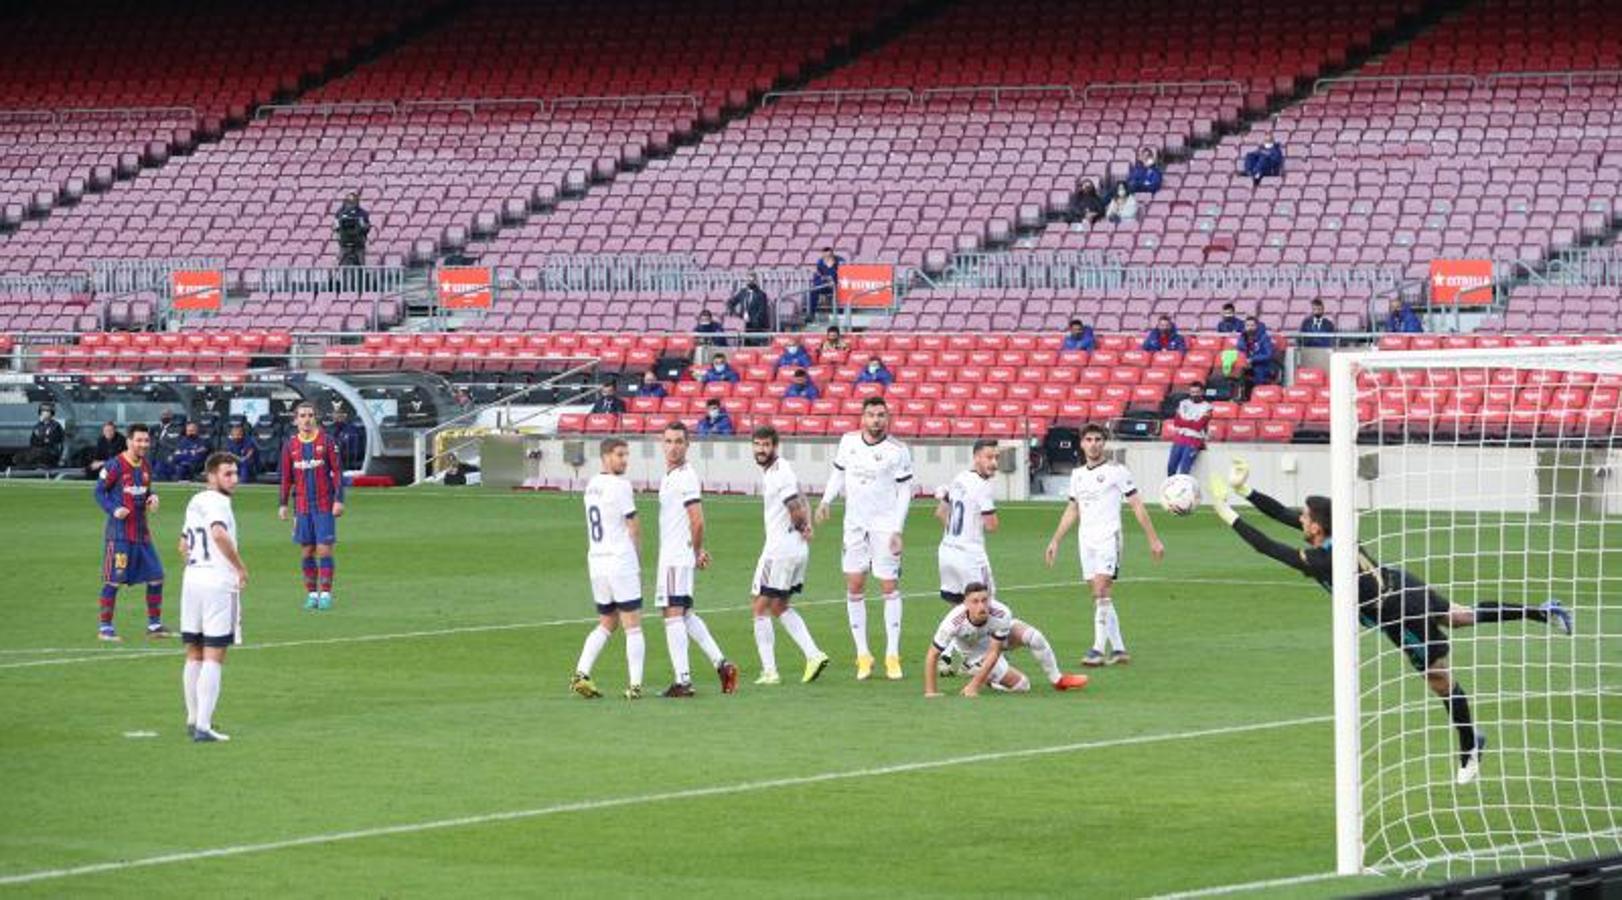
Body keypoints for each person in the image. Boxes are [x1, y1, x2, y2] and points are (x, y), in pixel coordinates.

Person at [1206, 459, 1573, 785]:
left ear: (1317, 526)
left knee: (1440, 680)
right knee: (1461, 616)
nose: (1299, 519)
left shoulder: (1321, 561)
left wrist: (1227, 512)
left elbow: (1267, 546)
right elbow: (1284, 517)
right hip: (1401, 583)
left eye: (1305, 517)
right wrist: (1245, 490)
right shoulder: (1339, 535)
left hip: (1397, 612)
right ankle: (1541, 611)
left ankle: (1470, 748)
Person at [1044, 423, 1165, 666]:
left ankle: (1097, 650)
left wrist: (1153, 538)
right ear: (1082, 443)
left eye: (1098, 439)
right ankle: (1119, 649)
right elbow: (1072, 508)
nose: (1094, 443)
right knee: (1100, 595)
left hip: (1109, 537)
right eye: (1089, 439)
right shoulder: (1077, 474)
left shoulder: (1117, 471)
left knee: (1100, 590)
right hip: (1085, 539)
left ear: (1104, 442)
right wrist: (1055, 540)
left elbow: (1137, 505)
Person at [817, 396, 914, 680]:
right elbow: (838, 474)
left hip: (885, 526)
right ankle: (863, 655)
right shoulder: (848, 442)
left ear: (888, 418)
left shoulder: (898, 450)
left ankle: (892, 655)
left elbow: (905, 491)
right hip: (855, 525)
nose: (876, 420)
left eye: (881, 415)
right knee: (855, 585)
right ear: (862, 417)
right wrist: (825, 501)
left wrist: (898, 528)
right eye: (871, 415)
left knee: (888, 585)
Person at [655, 422, 740, 697]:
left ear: (688, 444)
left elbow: (698, 521)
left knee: (671, 614)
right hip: (677, 554)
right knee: (685, 613)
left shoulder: (684, 477)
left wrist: (695, 552)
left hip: (675, 557)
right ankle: (722, 664)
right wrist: (696, 552)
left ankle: (683, 680)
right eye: (668, 441)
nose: (673, 446)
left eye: (679, 441)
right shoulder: (670, 475)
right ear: (662, 443)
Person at [750, 426, 830, 685]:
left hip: (779, 550)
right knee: (778, 605)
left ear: (775, 445)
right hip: (794, 549)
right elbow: (802, 497)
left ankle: (770, 671)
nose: (761, 450)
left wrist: (803, 525)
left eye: (766, 445)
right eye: (757, 445)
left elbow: (794, 506)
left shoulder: (777, 473)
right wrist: (806, 526)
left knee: (759, 606)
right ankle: (814, 654)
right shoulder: (783, 469)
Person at [178, 451, 247, 743]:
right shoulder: (219, 503)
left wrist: (197, 567)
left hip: (192, 580)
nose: (234, 479)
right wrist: (239, 567)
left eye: (235, 473)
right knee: (215, 653)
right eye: (227, 474)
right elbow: (218, 534)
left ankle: (193, 718)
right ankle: (204, 726)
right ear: (212, 476)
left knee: (193, 651)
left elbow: (183, 545)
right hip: (218, 583)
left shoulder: (195, 500)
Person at [571, 439, 647, 700]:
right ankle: (635, 685)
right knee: (633, 625)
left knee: (607, 621)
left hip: (597, 562)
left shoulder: (591, 486)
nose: (624, 460)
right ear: (605, 457)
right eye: (619, 455)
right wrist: (636, 562)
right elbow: (633, 526)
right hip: (619, 561)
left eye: (626, 454)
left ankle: (581, 673)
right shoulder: (621, 486)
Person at [922, 584, 1090, 697]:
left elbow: (995, 651)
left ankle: (1057, 680)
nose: (981, 606)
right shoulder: (953, 622)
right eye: (975, 601)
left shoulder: (1001, 613)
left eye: (984, 600)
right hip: (976, 653)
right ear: (965, 604)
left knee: (1035, 637)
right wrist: (931, 693)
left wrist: (974, 685)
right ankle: (983, 675)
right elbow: (933, 654)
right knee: (1023, 686)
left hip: (995, 642)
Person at [93, 423, 170, 641]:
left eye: (146, 440)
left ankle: (154, 626)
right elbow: (99, 492)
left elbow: (146, 490)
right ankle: (105, 628)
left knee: (156, 577)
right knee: (114, 580)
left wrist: (152, 498)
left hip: (142, 534)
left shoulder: (145, 465)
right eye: (139, 440)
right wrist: (113, 509)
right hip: (119, 535)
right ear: (129, 441)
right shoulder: (115, 465)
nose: (143, 444)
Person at [933, 439, 999, 673]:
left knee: (959, 607)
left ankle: (946, 656)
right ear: (976, 457)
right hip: (970, 556)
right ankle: (975, 660)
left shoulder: (959, 478)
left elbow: (940, 512)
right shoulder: (982, 486)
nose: (994, 463)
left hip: (947, 551)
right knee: (986, 604)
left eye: (996, 458)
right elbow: (991, 525)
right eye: (989, 457)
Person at [278, 402, 344, 611]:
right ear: (295, 420)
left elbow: (338, 473)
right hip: (302, 506)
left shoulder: (327, 441)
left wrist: (339, 500)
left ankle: (325, 594)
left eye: (310, 415)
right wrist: (283, 504)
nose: (306, 419)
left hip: (324, 504)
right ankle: (311, 594)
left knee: (324, 550)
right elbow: (286, 478)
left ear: (315, 418)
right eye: (302, 415)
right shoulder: (290, 445)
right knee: (307, 551)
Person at [1165, 381, 1212, 476]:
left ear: (1202, 392)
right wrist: (1192, 422)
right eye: (1192, 392)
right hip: (1180, 438)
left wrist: (1185, 421)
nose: (1194, 395)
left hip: (1194, 439)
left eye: (1197, 392)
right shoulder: (1183, 403)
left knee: (1184, 469)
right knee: (1171, 467)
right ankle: (1172, 489)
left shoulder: (1207, 407)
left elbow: (1199, 426)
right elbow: (1177, 422)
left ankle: (1184, 489)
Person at [1237, 316, 1279, 392]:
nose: (1250, 328)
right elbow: (1240, 350)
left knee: (1259, 373)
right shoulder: (1242, 337)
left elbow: (1268, 354)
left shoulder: (1264, 338)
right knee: (1235, 371)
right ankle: (1237, 396)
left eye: (1252, 325)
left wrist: (1253, 359)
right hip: (1246, 364)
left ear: (1256, 326)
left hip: (1262, 364)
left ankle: (1258, 394)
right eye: (1247, 325)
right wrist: (1244, 360)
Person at [19, 404, 66, 468]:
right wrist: (42, 439)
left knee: (37, 454)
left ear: (51, 413)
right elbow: (33, 441)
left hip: (51, 452)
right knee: (19, 457)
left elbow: (52, 440)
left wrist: (42, 439)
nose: (44, 413)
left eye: (47, 411)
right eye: (42, 411)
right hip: (38, 450)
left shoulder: (56, 426)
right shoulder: (37, 426)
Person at [728, 272, 772, 340]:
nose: (750, 282)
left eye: (752, 280)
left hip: (757, 327)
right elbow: (731, 303)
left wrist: (751, 320)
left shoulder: (761, 294)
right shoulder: (742, 292)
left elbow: (762, 311)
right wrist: (736, 314)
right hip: (744, 325)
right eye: (748, 280)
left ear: (756, 281)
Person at [334, 191, 371, 267]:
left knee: (361, 264)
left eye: (353, 202)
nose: (350, 204)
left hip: (358, 244)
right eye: (349, 202)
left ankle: (362, 275)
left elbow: (367, 227)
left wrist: (362, 226)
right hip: (344, 243)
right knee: (342, 264)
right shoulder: (340, 213)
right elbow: (335, 226)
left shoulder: (363, 213)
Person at [809, 247, 842, 322]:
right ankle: (811, 314)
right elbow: (818, 276)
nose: (826, 258)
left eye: (829, 256)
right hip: (825, 285)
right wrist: (823, 279)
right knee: (813, 291)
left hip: (836, 286)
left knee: (837, 290)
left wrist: (831, 271)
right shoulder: (820, 262)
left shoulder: (839, 261)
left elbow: (841, 273)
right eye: (825, 256)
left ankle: (839, 312)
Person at [331, 406, 367, 472]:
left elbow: (358, 451)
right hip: (333, 467)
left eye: (339, 413)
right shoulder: (329, 430)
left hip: (350, 467)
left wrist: (340, 452)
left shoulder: (354, 430)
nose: (336, 416)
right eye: (334, 413)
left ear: (345, 415)